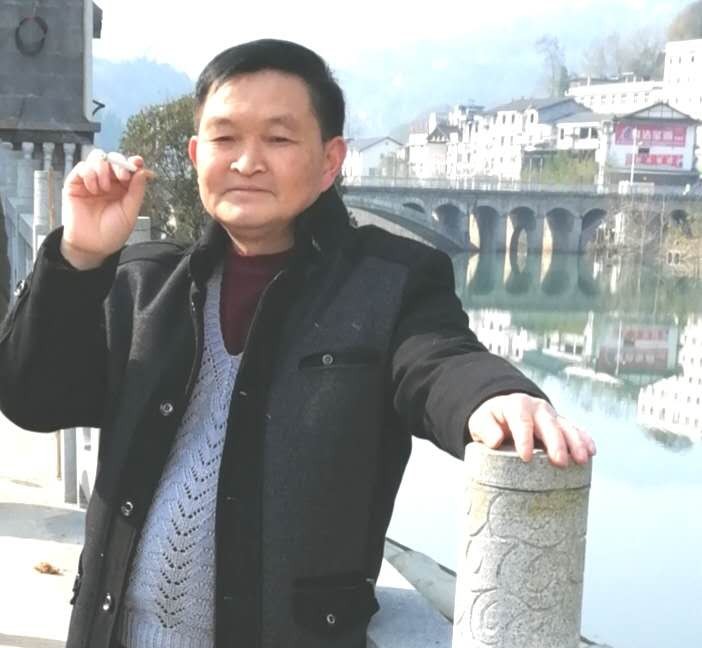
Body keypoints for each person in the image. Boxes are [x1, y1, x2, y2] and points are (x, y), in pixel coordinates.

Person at [0, 39, 595, 648]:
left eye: (279, 139)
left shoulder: (388, 283)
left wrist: (493, 396)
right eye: (225, 138)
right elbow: (33, 398)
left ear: (330, 160)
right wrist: (79, 256)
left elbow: (438, 360)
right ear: (196, 154)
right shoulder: (145, 284)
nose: (247, 161)